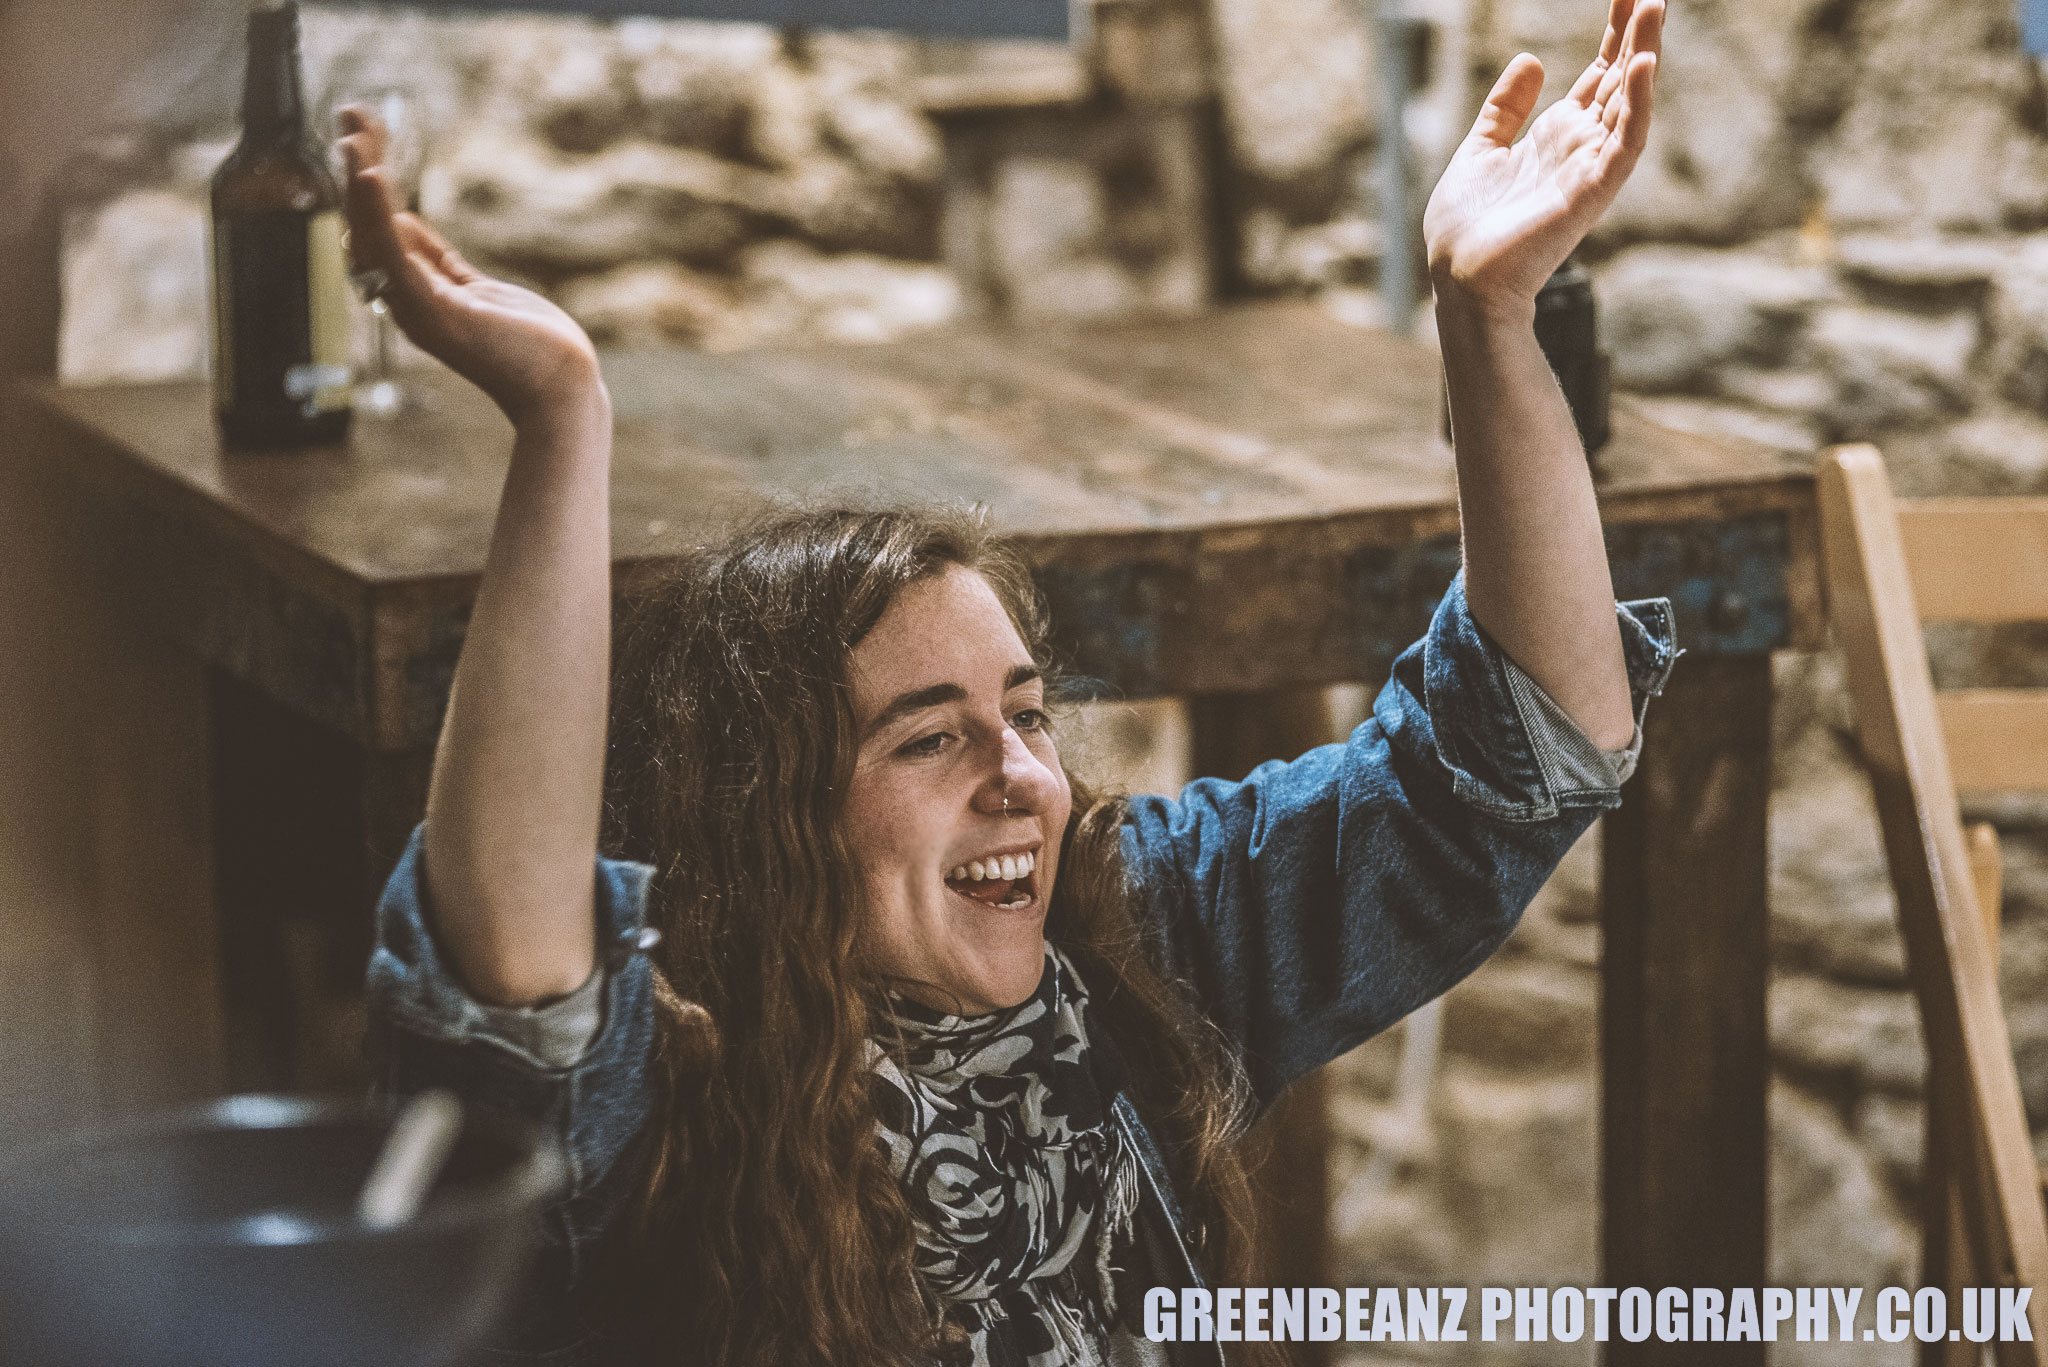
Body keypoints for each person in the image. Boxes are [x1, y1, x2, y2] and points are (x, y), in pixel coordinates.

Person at [347, 2, 1674, 1363]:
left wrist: (1489, 318)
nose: (1023, 780)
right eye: (929, 743)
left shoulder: (1123, 945)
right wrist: (564, 423)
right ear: (771, 813)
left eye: (1027, 715)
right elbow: (507, 988)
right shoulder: (678, 1085)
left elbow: (1523, 749)